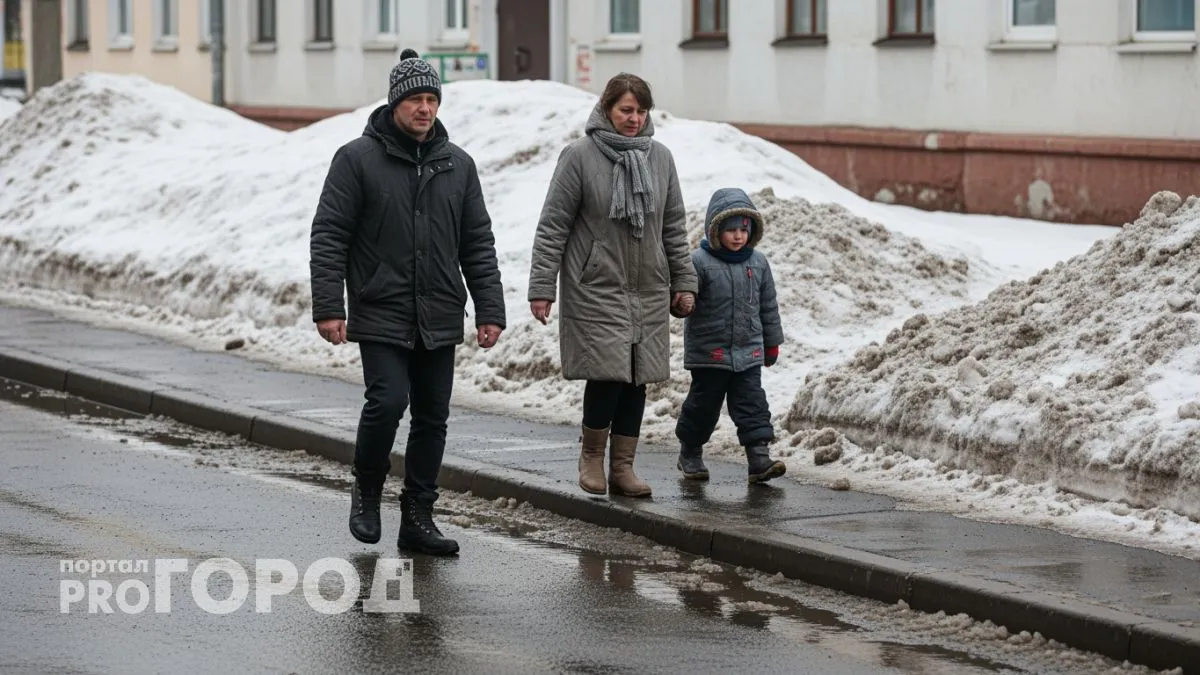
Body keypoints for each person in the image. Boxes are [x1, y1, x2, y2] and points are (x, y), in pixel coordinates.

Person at [309, 48, 506, 556]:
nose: (425, 108)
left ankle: (418, 517)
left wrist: (490, 309)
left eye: (431, 99)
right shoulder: (357, 159)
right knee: (388, 401)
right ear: (396, 102)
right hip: (380, 307)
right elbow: (329, 234)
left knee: (433, 417)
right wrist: (330, 305)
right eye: (416, 99)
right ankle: (368, 492)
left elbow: (476, 242)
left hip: (439, 310)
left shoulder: (457, 165)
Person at [527, 73, 698, 498]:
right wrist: (542, 286)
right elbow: (553, 226)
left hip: (649, 285)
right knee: (606, 375)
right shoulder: (579, 157)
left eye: (640, 111)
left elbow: (673, 227)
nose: (634, 118)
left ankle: (623, 467)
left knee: (637, 378)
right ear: (606, 109)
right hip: (597, 284)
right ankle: (591, 458)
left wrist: (684, 281)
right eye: (626, 110)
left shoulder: (661, 158)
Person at [674, 187, 787, 484]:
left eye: (743, 230)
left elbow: (768, 306)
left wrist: (772, 343)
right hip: (710, 353)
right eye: (731, 230)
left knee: (752, 404)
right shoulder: (698, 261)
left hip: (748, 352)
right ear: (715, 229)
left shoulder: (758, 263)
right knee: (703, 407)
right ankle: (690, 452)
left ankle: (759, 460)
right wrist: (680, 302)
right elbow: (682, 296)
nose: (738, 236)